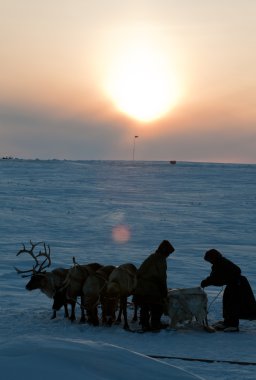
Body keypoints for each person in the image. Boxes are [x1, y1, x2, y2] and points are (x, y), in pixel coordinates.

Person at [201, 249, 256, 332]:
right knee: (227, 302)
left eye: (209, 260)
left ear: (213, 257)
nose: (209, 262)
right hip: (233, 285)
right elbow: (218, 278)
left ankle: (233, 325)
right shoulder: (219, 263)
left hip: (238, 286)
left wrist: (206, 282)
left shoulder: (221, 263)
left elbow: (217, 279)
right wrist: (208, 281)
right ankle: (227, 321)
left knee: (233, 304)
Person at [134, 240, 175, 331]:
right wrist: (164, 291)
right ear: (165, 252)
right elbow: (162, 278)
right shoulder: (161, 260)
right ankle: (155, 324)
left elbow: (139, 272)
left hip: (141, 287)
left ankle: (144, 324)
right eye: (168, 253)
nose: (168, 255)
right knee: (158, 306)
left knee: (144, 306)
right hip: (152, 288)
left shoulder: (151, 257)